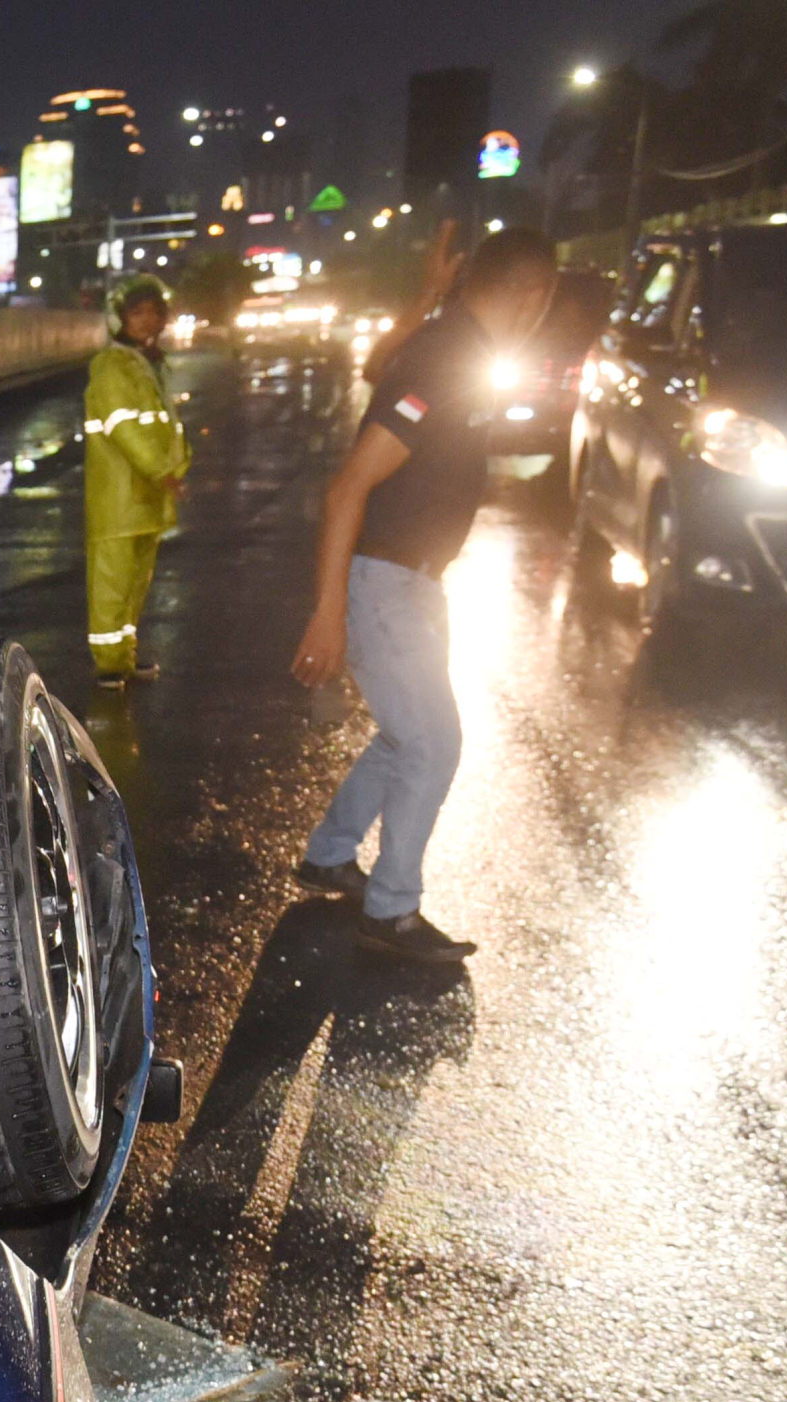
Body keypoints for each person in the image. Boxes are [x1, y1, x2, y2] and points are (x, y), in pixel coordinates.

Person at [288, 225, 558, 963]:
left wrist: (430, 292)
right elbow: (347, 486)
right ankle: (391, 909)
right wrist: (327, 612)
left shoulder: (454, 345)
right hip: (384, 581)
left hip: (412, 583)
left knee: (405, 735)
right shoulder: (447, 356)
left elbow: (378, 367)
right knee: (434, 746)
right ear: (533, 294)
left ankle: (329, 855)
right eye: (547, 299)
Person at [83, 273, 190, 685]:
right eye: (138, 312)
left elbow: (168, 426)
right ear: (119, 318)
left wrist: (178, 466)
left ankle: (124, 658)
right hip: (118, 498)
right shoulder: (111, 365)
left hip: (146, 497)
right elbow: (124, 427)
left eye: (154, 312)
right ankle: (109, 667)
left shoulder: (147, 364)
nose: (148, 321)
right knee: (112, 584)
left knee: (134, 586)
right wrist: (165, 472)